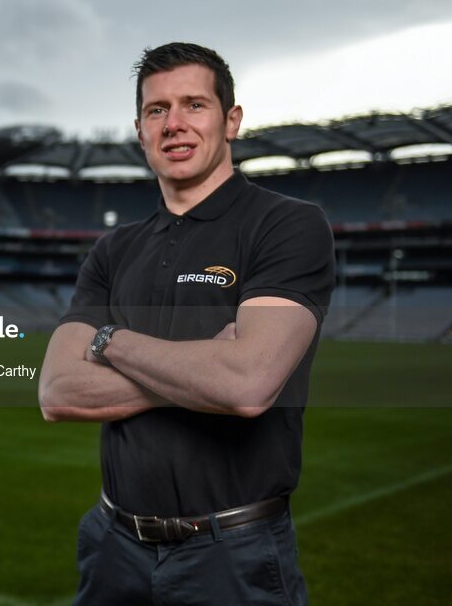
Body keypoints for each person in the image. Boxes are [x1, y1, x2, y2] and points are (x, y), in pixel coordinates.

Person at [39, 43, 334, 605]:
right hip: (112, 546)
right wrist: (205, 370)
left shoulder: (287, 225)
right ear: (140, 128)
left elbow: (246, 386)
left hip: (234, 552)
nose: (174, 123)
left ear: (232, 120)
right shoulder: (112, 251)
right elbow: (57, 391)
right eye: (157, 110)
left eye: (194, 105)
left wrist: (110, 341)